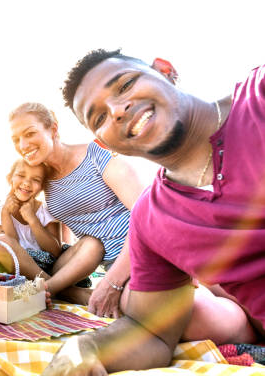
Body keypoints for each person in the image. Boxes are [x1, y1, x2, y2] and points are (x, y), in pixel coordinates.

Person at [42, 49, 263, 375]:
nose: (117, 110)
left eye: (125, 84)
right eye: (100, 117)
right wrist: (84, 347)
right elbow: (151, 331)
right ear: (103, 144)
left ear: (166, 70)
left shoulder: (257, 98)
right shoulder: (153, 218)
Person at [9, 102, 144, 311]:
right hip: (98, 257)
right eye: (16, 139)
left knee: (138, 307)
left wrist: (112, 281)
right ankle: (56, 290)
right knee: (91, 244)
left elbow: (146, 214)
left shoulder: (95, 154)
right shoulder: (42, 178)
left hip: (137, 252)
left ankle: (51, 292)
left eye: (30, 134)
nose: (23, 145)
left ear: (53, 129)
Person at [0, 159, 65, 279]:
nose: (27, 183)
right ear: (10, 178)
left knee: (83, 246)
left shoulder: (47, 210)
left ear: (42, 187)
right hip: (17, 267)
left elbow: (56, 251)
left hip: (49, 266)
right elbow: (10, 246)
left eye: (36, 180)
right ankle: (52, 285)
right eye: (21, 175)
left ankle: (51, 283)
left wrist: (32, 220)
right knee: (1, 240)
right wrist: (5, 214)